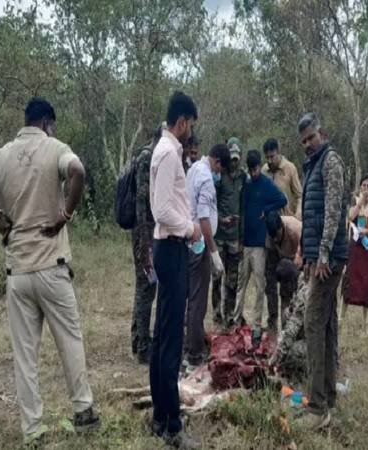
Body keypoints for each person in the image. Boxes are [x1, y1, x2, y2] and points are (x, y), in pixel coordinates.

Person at [0, 97, 99, 443]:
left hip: (18, 270)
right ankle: (83, 409)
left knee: (25, 355)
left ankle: (33, 429)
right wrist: (65, 215)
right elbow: (78, 171)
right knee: (69, 340)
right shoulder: (55, 148)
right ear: (48, 123)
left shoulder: (2, 156)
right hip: (52, 266)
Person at [148, 91, 201, 449]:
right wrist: (189, 228)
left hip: (167, 248)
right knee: (171, 340)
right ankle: (170, 424)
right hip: (171, 247)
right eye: (190, 125)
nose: (190, 131)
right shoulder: (168, 153)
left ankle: (160, 415)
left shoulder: (166, 150)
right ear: (182, 122)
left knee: (163, 335)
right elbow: (162, 210)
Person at [295, 113, 349, 430]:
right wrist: (307, 251)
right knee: (325, 324)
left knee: (313, 322)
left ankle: (317, 408)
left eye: (311, 138)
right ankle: (327, 396)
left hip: (330, 259)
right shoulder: (313, 164)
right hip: (319, 256)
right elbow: (311, 214)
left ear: (322, 134)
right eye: (303, 141)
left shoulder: (331, 162)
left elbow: (333, 210)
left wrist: (324, 253)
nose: (307, 144)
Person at [183, 143, 230, 372]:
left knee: (191, 298)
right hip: (199, 244)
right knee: (198, 300)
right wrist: (214, 253)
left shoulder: (193, 170)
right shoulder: (206, 178)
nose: (219, 174)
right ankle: (194, 354)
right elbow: (203, 219)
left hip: (189, 241)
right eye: (220, 169)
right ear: (217, 162)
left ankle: (191, 345)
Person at [232, 149, 286, 337]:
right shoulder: (246, 185)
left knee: (259, 285)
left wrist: (267, 209)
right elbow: (242, 211)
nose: (254, 173)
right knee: (241, 284)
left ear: (259, 167)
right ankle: (236, 320)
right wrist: (240, 239)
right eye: (251, 170)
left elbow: (282, 199)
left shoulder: (266, 183)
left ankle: (256, 324)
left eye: (256, 169)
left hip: (260, 245)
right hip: (245, 242)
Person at [262, 138, 303, 333]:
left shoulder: (290, 169)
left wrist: (297, 215)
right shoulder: (264, 171)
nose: (270, 161)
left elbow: (300, 195)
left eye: (272, 156)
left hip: (287, 232)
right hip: (270, 234)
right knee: (270, 281)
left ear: (279, 152)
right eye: (267, 157)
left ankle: (288, 325)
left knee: (287, 284)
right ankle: (272, 323)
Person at [131, 124, 164, 364]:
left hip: (148, 232)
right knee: (146, 287)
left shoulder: (150, 156)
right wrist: (145, 243)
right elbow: (141, 205)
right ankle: (142, 346)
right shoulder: (147, 158)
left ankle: (139, 339)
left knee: (145, 287)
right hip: (145, 233)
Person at [211, 137, 247, 327]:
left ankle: (229, 314)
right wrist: (220, 219)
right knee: (217, 275)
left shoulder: (243, 178)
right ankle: (217, 313)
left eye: (236, 159)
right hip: (219, 235)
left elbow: (244, 208)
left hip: (234, 237)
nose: (234, 162)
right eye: (231, 158)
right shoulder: (219, 176)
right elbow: (211, 203)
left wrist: (242, 238)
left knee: (232, 278)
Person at [343, 174, 368, 334]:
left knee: (367, 284)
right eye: (363, 185)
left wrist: (367, 231)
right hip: (354, 249)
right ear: (360, 187)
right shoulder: (355, 202)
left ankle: (365, 324)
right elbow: (350, 217)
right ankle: (342, 318)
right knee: (349, 280)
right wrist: (360, 202)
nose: (366, 188)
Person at [269, 265, 308, 382]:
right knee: (286, 314)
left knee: (291, 352)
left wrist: (274, 360)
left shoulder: (304, 293)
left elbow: (290, 333)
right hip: (321, 344)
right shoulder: (306, 284)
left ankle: (300, 378)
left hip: (314, 347)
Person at [264, 210, 302, 329]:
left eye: (277, 235)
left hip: (299, 261)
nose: (275, 239)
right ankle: (277, 324)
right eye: (273, 237)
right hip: (281, 262)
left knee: (295, 296)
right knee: (271, 286)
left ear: (282, 227)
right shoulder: (270, 236)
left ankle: (295, 325)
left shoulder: (296, 229)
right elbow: (270, 271)